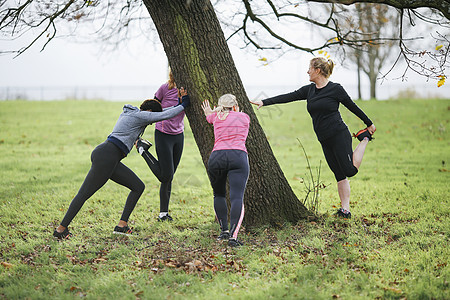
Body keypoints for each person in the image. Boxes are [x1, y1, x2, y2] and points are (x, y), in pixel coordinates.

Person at [53, 90, 190, 239]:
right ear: (149, 112)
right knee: (84, 194)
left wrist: (179, 104)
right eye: (150, 120)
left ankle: (122, 225)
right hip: (107, 156)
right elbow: (163, 115)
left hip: (109, 157)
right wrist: (185, 104)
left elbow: (163, 111)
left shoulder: (133, 113)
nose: (150, 123)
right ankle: (60, 230)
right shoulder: (139, 115)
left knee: (138, 187)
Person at [250, 57, 376, 219]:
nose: (307, 71)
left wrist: (369, 124)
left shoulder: (336, 89)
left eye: (310, 68)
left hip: (339, 134)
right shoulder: (309, 90)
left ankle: (364, 138)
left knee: (349, 170)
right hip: (324, 139)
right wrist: (264, 102)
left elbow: (352, 106)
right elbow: (289, 96)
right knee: (339, 174)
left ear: (318, 70)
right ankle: (345, 210)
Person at [135, 69, 185, 222]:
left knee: (168, 177)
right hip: (163, 134)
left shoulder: (187, 90)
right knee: (166, 175)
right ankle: (142, 150)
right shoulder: (165, 88)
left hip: (179, 135)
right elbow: (151, 107)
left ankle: (163, 213)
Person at [201, 94, 250, 247]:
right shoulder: (244, 117)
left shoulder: (216, 117)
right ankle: (233, 238)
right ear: (235, 106)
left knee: (219, 194)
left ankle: (224, 231)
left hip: (217, 157)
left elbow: (209, 116)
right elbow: (239, 117)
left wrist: (209, 112)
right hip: (238, 156)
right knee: (237, 197)